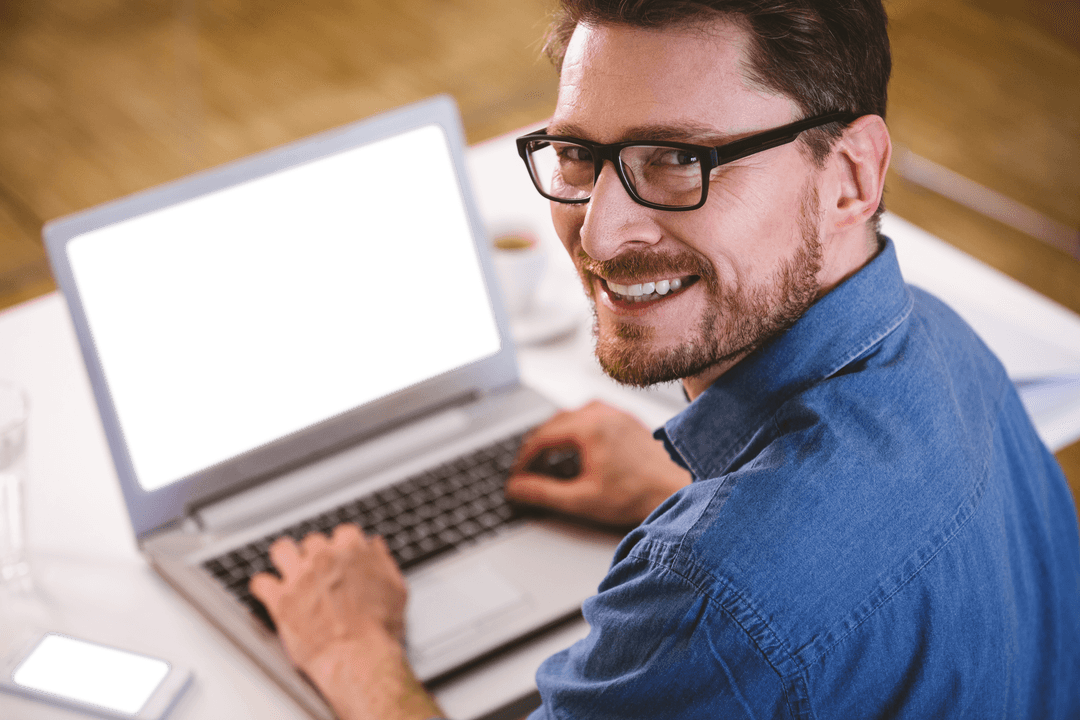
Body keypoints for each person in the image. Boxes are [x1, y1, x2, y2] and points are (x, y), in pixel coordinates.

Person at [249, 1, 1080, 717]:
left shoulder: (715, 598)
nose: (601, 237)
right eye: (578, 154)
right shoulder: (942, 344)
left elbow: (754, 603)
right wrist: (681, 495)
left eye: (680, 159)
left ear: (851, 177)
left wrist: (354, 652)